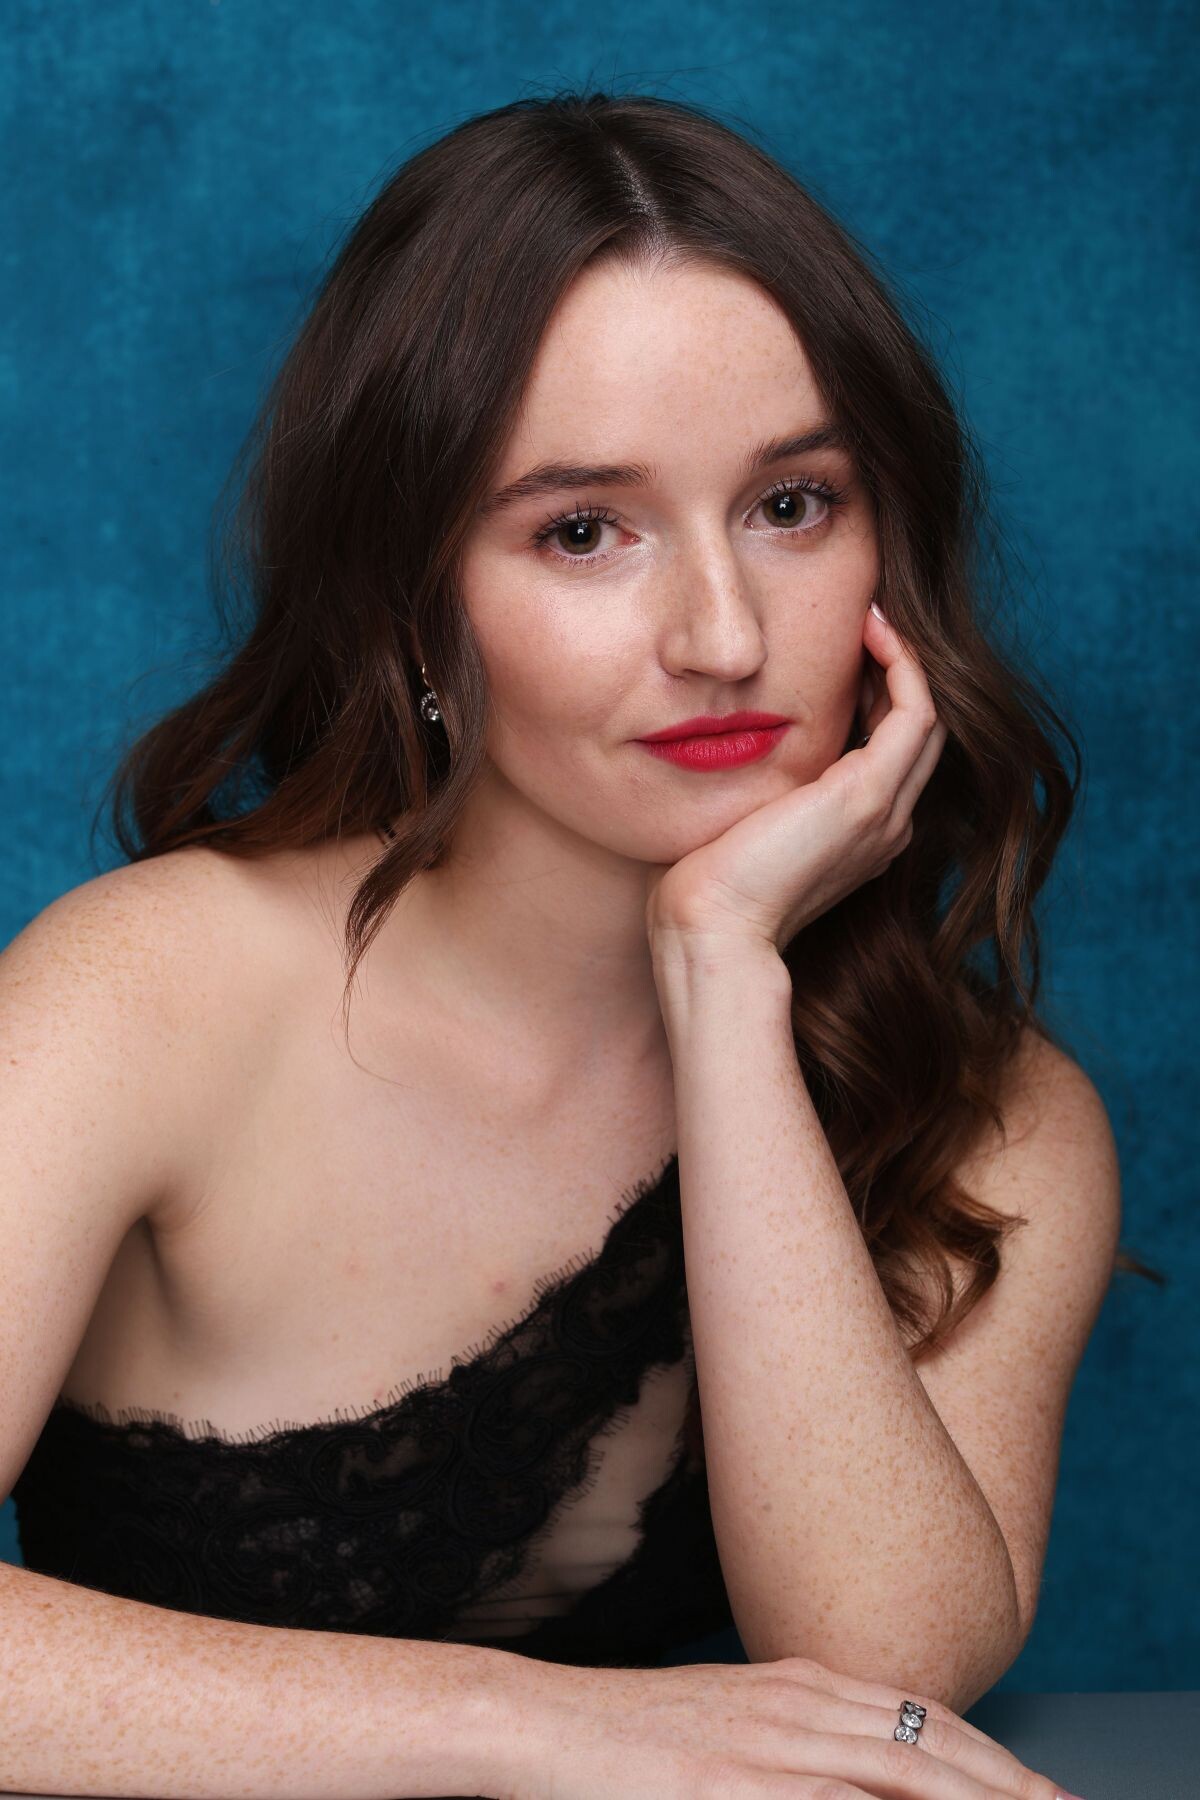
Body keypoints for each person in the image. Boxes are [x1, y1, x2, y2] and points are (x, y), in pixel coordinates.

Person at [0, 87, 1135, 1799]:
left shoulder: (997, 1115)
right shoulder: (140, 996)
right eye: (583, 531)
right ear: (413, 603)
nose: (724, 636)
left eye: (794, 505)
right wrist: (532, 1724)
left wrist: (726, 973)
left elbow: (884, 1674)